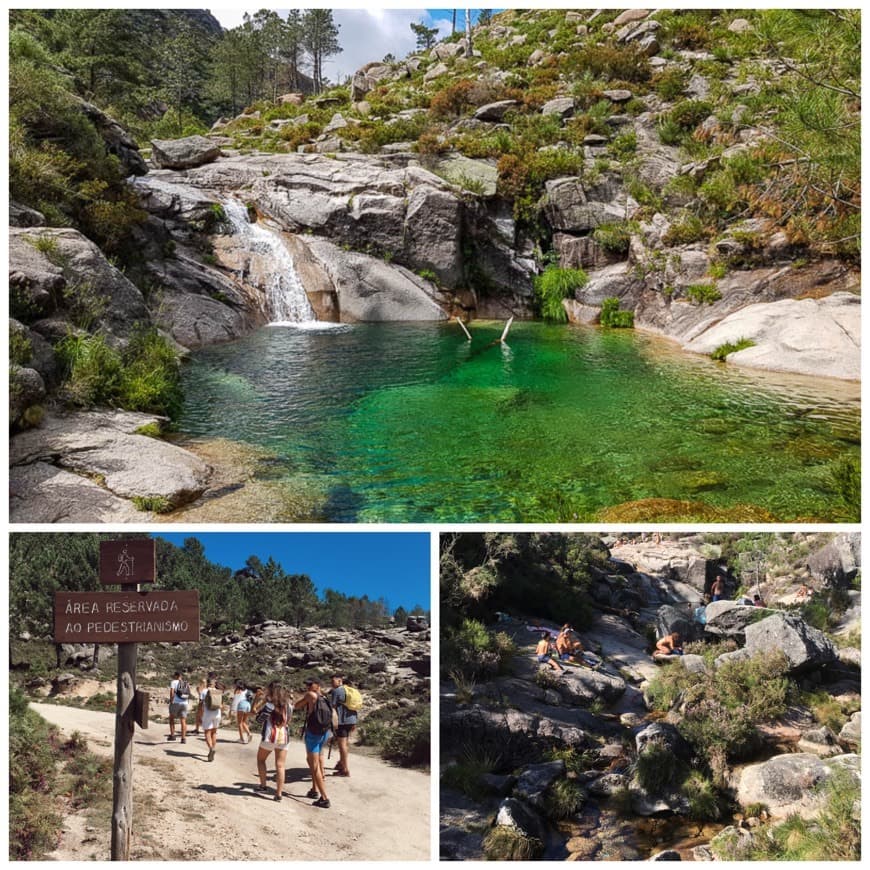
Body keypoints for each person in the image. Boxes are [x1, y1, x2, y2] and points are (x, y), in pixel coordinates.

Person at [294, 677, 332, 808]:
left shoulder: (311, 695)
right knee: (315, 760)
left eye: (310, 684)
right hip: (324, 732)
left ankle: (324, 798)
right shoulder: (325, 697)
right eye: (307, 684)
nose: (308, 686)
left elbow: (297, 706)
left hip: (313, 733)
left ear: (317, 685)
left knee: (313, 764)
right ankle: (314, 789)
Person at [255, 685, 293, 802]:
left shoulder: (269, 706)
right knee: (280, 765)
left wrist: (258, 702)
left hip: (270, 737)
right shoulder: (289, 706)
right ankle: (279, 793)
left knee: (261, 760)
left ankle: (263, 785)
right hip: (284, 737)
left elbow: (259, 720)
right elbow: (289, 720)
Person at [328, 674, 358, 777]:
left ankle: (344, 770)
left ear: (340, 681)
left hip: (342, 721)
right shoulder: (349, 690)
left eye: (333, 681)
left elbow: (332, 707)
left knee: (342, 745)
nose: (331, 684)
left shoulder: (336, 691)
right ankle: (341, 763)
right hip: (351, 719)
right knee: (345, 743)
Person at [200, 673, 223, 762]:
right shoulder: (218, 691)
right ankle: (213, 747)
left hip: (208, 713)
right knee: (214, 732)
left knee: (207, 733)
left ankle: (210, 748)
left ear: (207, 683)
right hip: (217, 713)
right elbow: (221, 704)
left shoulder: (204, 691)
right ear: (214, 683)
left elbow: (201, 704)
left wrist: (200, 715)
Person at [168, 670, 191, 743]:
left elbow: (172, 692)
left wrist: (171, 700)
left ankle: (172, 735)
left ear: (176, 676)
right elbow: (188, 693)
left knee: (171, 718)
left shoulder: (173, 682)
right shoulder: (186, 683)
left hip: (176, 703)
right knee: (183, 720)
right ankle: (183, 738)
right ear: (181, 676)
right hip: (185, 703)